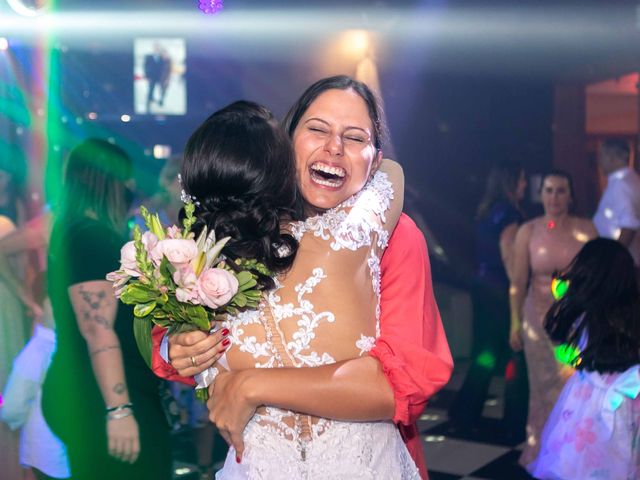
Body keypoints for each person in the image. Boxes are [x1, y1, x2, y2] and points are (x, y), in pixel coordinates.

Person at [154, 76, 453, 479]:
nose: (334, 148)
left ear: (375, 159)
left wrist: (251, 385)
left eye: (355, 137)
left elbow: (407, 382)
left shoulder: (397, 237)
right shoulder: (235, 232)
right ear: (284, 142)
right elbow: (176, 350)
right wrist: (177, 345)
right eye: (317, 129)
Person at [40, 139, 171, 480]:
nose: (131, 190)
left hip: (85, 388)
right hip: (104, 396)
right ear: (106, 182)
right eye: (126, 182)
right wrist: (119, 410)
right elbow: (97, 329)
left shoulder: (70, 232)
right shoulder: (91, 238)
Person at [529, 238, 640, 479]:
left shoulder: (584, 313)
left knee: (585, 465)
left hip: (591, 402)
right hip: (621, 402)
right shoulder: (592, 315)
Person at [509, 170, 597, 468]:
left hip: (576, 322)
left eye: (561, 191)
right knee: (543, 388)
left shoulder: (587, 230)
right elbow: (518, 283)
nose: (554, 197)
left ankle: (573, 453)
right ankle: (543, 453)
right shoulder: (528, 231)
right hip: (538, 320)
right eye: (548, 190)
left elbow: (598, 278)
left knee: (575, 387)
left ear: (570, 196)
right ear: (541, 194)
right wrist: (515, 323)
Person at [448, 162, 528, 439]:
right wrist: (520, 287)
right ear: (511, 182)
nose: (525, 185)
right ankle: (515, 422)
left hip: (482, 288)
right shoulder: (508, 214)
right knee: (514, 352)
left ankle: (464, 412)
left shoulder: (487, 211)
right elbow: (509, 257)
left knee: (485, 354)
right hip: (500, 291)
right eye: (521, 179)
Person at [1, 272, 71, 480]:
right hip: (55, 453)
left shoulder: (44, 349)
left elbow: (14, 406)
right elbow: (13, 405)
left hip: (52, 452)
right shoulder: (42, 351)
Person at [592, 138, 640, 267]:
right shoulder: (628, 181)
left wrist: (613, 259)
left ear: (611, 157)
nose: (599, 162)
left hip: (621, 265)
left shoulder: (622, 185)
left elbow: (629, 226)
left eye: (602, 156)